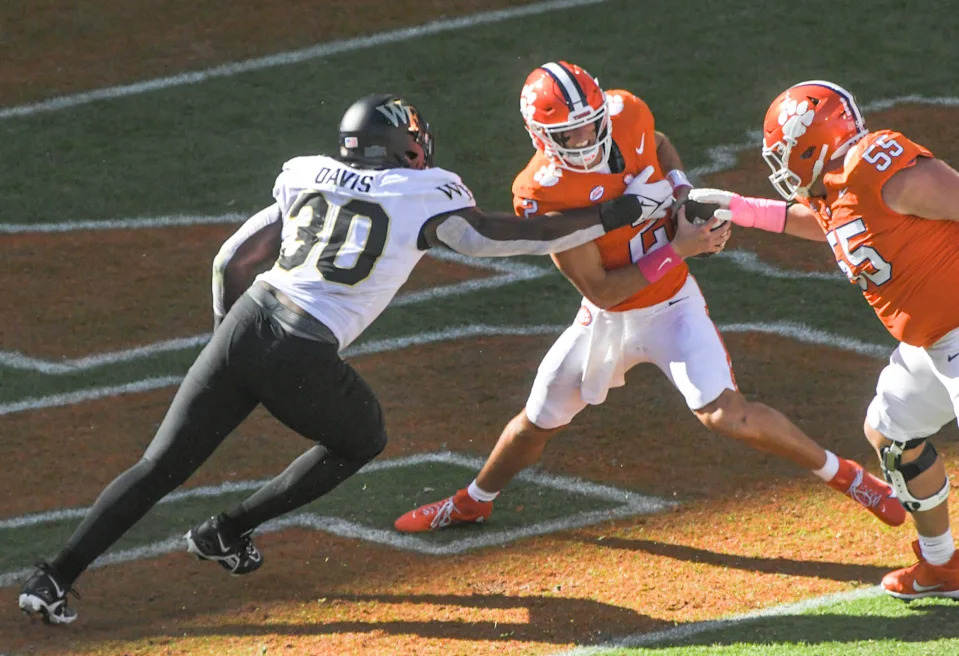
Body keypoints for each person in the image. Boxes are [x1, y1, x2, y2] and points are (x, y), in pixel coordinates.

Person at [17, 92, 681, 625]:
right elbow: (496, 239)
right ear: (402, 146)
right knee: (362, 437)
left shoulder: (304, 173)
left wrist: (227, 347)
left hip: (247, 323)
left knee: (159, 465)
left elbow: (233, 260)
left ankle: (54, 576)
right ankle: (228, 529)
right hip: (302, 345)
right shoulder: (425, 191)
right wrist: (618, 212)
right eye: (415, 143)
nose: (423, 151)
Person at [394, 62, 906, 536]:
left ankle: (848, 476)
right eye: (568, 132)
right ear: (540, 136)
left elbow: (658, 145)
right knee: (535, 423)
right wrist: (680, 248)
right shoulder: (540, 191)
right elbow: (602, 289)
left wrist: (682, 194)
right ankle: (474, 500)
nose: (586, 137)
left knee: (728, 413)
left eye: (592, 122)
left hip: (673, 304)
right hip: (607, 318)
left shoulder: (625, 113)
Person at [685, 79, 959, 600]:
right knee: (892, 433)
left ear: (812, 143)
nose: (783, 167)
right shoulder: (838, 184)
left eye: (786, 154)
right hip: (933, 342)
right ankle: (943, 566)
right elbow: (833, 224)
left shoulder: (877, 164)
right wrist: (741, 208)